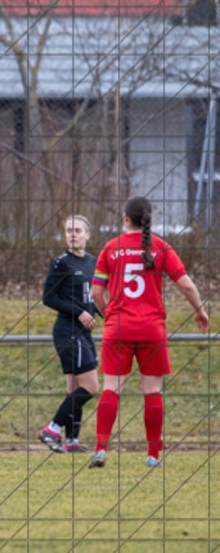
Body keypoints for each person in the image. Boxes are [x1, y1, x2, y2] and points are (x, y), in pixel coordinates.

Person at [88, 196, 209, 469]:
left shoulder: (110, 248)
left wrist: (109, 314)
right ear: (148, 220)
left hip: (118, 328)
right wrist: (200, 310)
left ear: (125, 218)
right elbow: (187, 285)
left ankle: (100, 449)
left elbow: (96, 292)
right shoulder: (161, 247)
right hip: (152, 328)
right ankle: (153, 455)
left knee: (111, 388)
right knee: (152, 390)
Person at [38, 214, 99, 454]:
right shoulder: (61, 263)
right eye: (68, 230)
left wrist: (103, 312)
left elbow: (94, 295)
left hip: (84, 332)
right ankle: (52, 430)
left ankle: (72, 440)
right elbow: (48, 297)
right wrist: (79, 312)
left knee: (75, 389)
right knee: (91, 387)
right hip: (67, 331)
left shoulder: (94, 262)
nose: (72, 234)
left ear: (87, 235)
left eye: (77, 230)